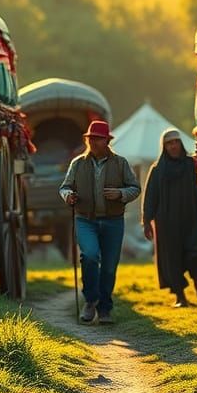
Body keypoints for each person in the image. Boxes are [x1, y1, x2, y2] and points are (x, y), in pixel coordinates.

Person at [58, 119, 140, 325]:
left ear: (107, 140)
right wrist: (68, 196)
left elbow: (135, 188)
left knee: (110, 267)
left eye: (97, 139)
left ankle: (105, 308)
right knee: (90, 255)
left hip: (113, 221)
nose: (92, 142)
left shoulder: (120, 163)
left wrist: (120, 194)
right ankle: (90, 300)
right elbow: (64, 187)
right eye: (90, 138)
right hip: (86, 220)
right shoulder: (77, 163)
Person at [142, 129, 197, 308]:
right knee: (172, 259)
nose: (173, 146)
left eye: (176, 142)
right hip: (167, 222)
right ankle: (180, 296)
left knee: (196, 254)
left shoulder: (192, 164)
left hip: (192, 217)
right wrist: (147, 221)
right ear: (164, 147)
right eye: (169, 143)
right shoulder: (158, 170)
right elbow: (150, 196)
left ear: (181, 144)